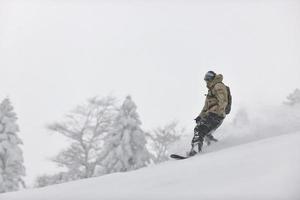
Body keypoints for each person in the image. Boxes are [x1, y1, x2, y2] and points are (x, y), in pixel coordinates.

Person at [189, 71, 229, 156]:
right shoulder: (211, 90)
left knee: (199, 129)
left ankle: (195, 151)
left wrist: (219, 112)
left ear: (211, 79)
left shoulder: (218, 86)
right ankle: (215, 146)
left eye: (207, 80)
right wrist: (200, 116)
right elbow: (205, 108)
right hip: (213, 114)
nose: (206, 82)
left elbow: (223, 100)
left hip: (216, 114)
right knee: (206, 133)